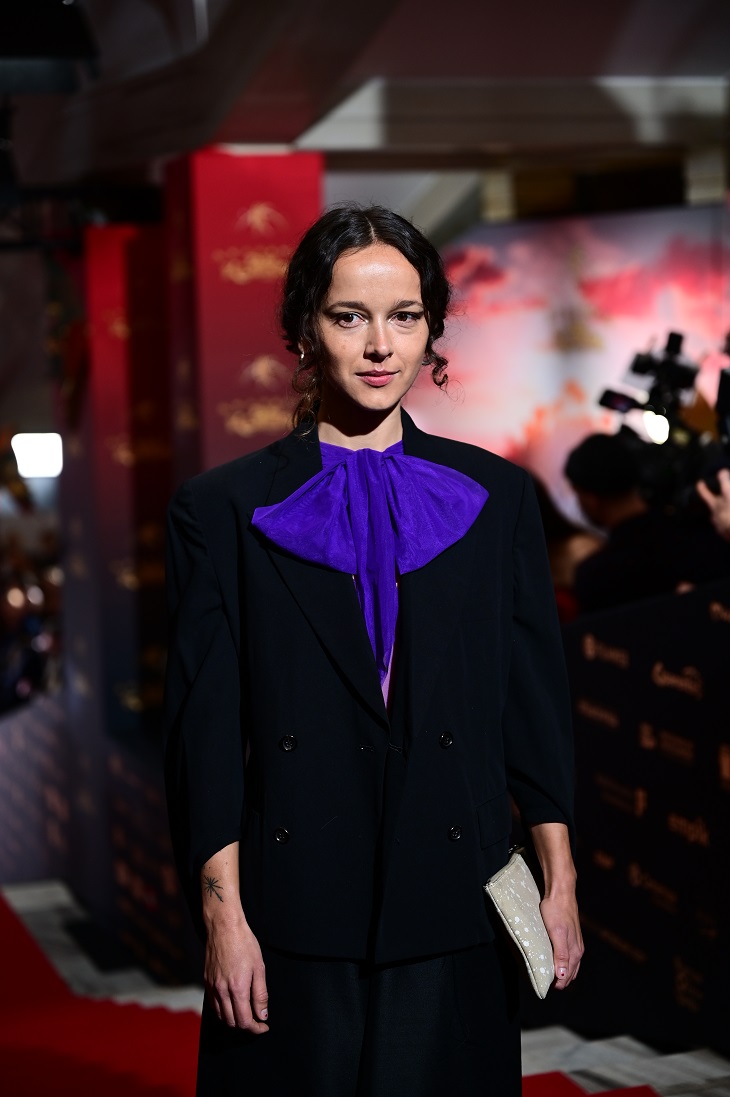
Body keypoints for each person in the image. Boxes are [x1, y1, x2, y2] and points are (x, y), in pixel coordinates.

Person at [164, 205, 582, 1097]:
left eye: (405, 316)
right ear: (304, 330)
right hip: (294, 905)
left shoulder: (498, 497)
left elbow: (532, 705)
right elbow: (206, 733)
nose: (380, 344)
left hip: (456, 891)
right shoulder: (221, 510)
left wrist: (561, 877)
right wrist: (224, 917)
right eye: (349, 316)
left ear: (432, 330)